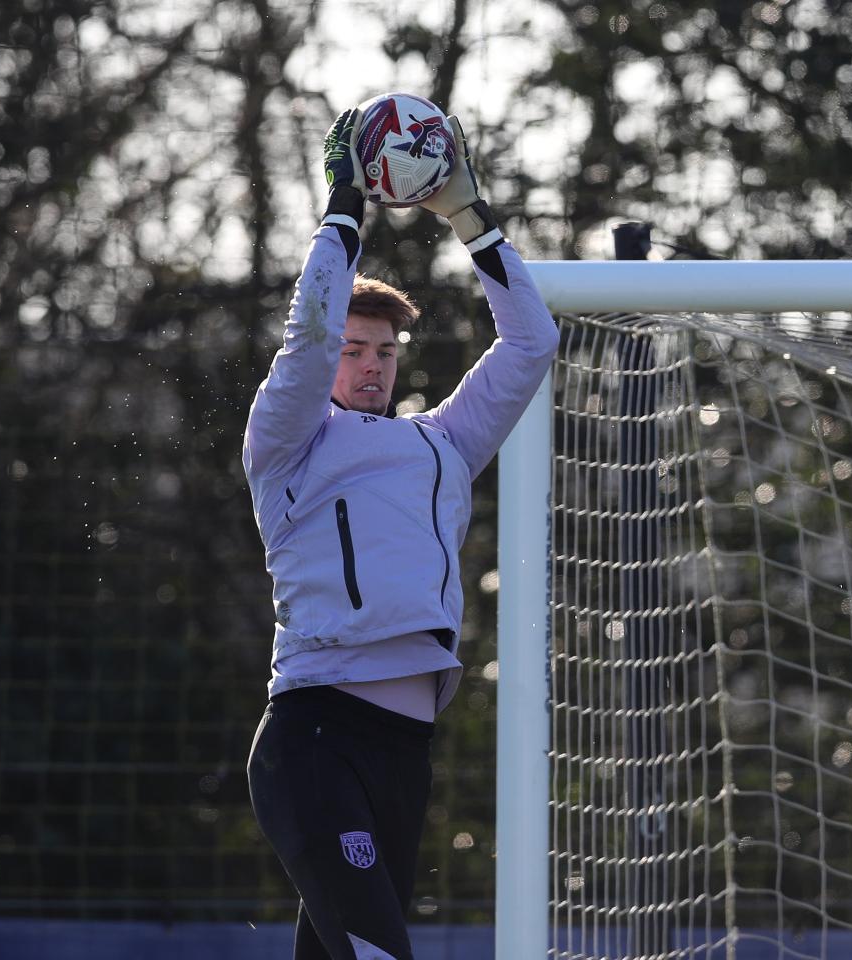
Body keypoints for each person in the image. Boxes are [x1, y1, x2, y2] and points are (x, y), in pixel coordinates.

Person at [242, 106, 559, 960]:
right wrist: (343, 207)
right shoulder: (289, 440)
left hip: (405, 752)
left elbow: (532, 343)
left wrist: (470, 217)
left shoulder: (442, 443)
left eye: (383, 350)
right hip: (316, 738)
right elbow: (304, 340)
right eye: (354, 349)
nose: (371, 362)